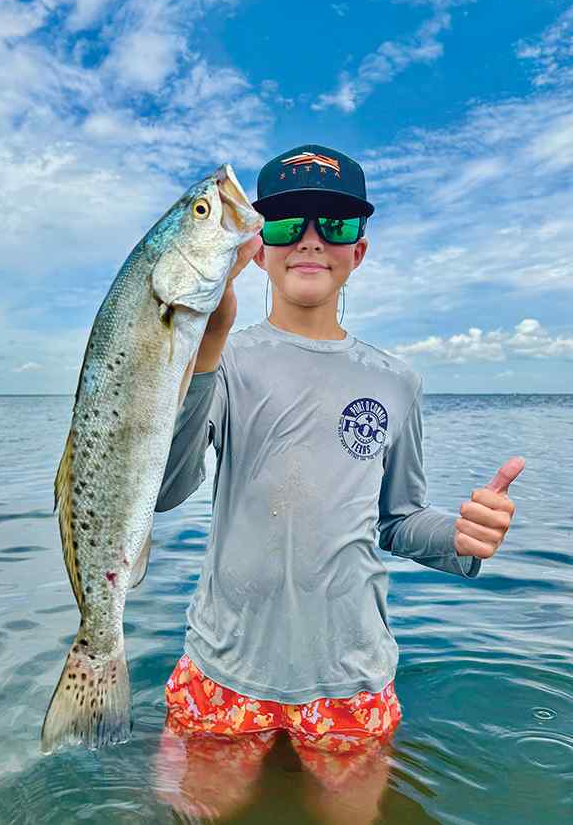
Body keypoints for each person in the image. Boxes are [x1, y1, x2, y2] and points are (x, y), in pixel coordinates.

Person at [152, 144, 524, 821]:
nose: (313, 241)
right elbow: (169, 487)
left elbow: (398, 519)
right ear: (257, 247)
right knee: (193, 811)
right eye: (290, 224)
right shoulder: (223, 354)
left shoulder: (395, 380)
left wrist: (463, 536)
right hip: (224, 663)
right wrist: (205, 351)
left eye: (338, 225)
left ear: (361, 251)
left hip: (350, 675)